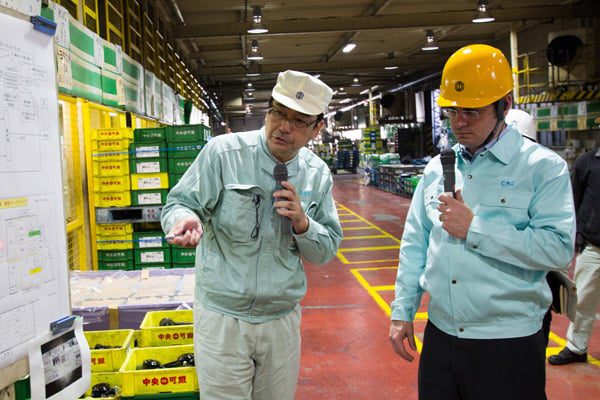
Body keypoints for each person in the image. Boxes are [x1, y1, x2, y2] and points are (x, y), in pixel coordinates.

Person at [389, 44, 575, 400]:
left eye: (472, 112)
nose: (459, 123)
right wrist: (402, 311)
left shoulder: (542, 169)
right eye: (453, 111)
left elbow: (557, 248)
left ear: (504, 105)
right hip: (441, 337)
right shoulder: (435, 169)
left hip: (507, 343)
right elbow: (415, 243)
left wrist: (475, 229)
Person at [161, 70, 343, 400]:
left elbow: (326, 249)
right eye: (278, 113)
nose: (284, 127)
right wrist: (185, 219)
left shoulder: (317, 175)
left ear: (317, 128)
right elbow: (179, 203)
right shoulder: (223, 154)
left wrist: (303, 224)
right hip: (223, 320)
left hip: (281, 320)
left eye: (299, 121)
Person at [549, 146, 600, 365]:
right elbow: (573, 200)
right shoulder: (587, 162)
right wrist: (576, 236)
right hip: (594, 245)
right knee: (582, 300)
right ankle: (576, 347)